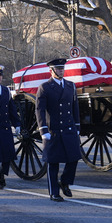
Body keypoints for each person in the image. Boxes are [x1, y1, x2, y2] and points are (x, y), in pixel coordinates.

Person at [35, 58, 81, 202]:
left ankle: (65, 181)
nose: (61, 71)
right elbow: (40, 110)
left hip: (68, 128)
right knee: (53, 163)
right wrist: (43, 130)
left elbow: (75, 107)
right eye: (58, 69)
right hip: (53, 130)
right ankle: (54, 192)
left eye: (62, 68)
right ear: (52, 70)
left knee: (74, 158)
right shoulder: (45, 87)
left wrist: (77, 126)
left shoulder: (70, 86)